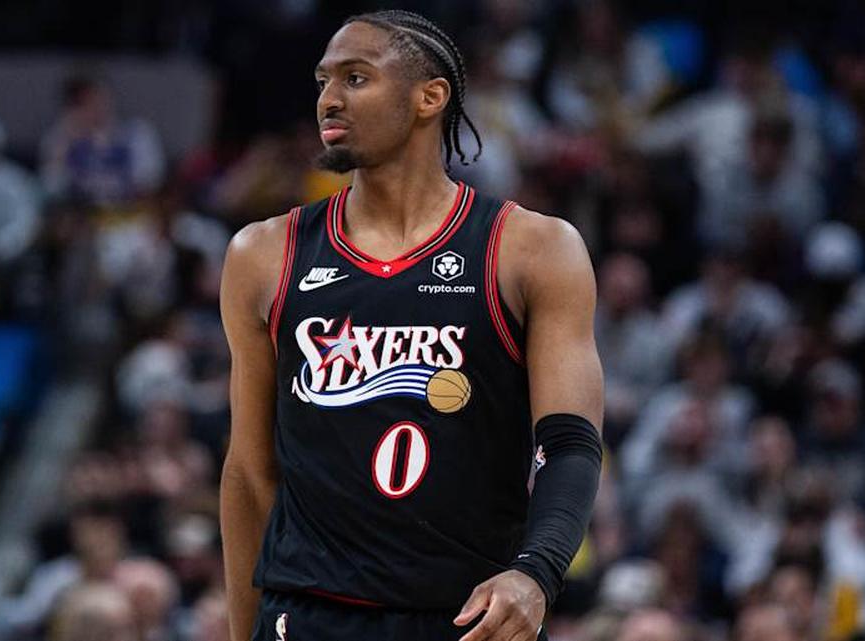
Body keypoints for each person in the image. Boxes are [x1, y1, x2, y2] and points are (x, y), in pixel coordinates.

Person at [219, 10, 603, 641]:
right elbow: (249, 473)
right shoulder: (265, 253)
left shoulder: (530, 248)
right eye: (322, 81)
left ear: (430, 97)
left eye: (356, 77)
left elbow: (567, 443)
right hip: (310, 611)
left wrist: (536, 573)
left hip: (460, 614)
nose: (328, 99)